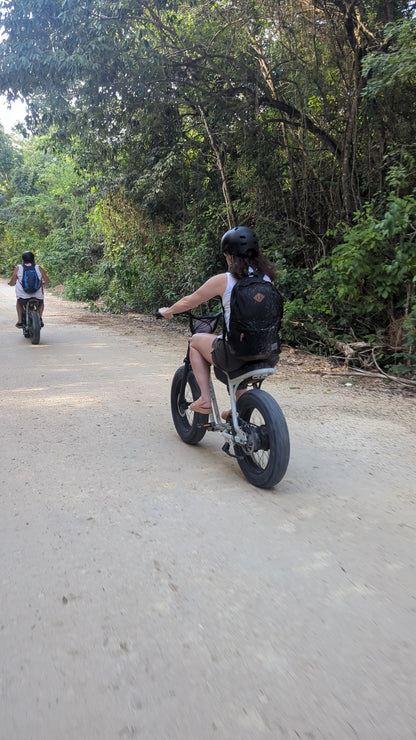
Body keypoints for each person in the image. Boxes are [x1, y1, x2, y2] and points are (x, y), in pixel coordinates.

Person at [158, 225, 276, 416]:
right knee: (235, 344)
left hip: (235, 354)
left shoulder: (225, 280)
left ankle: (205, 399)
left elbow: (190, 301)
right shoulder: (267, 279)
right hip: (268, 352)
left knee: (196, 341)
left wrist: (169, 311)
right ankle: (240, 410)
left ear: (229, 256)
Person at [8, 251, 50, 328]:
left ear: (23, 259)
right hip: (37, 296)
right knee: (41, 304)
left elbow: (12, 282)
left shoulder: (19, 268)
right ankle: (40, 318)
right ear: (33, 259)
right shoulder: (38, 267)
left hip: (23, 297)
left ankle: (20, 322)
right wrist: (42, 283)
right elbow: (47, 281)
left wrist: (11, 283)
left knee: (19, 303)